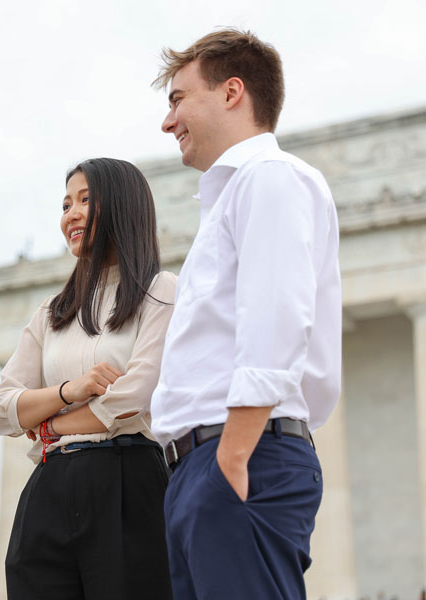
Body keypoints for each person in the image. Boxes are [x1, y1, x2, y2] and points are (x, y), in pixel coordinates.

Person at [149, 29, 342, 600]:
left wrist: (231, 457)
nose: (168, 121)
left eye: (178, 99)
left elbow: (277, 318)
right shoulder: (232, 197)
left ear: (232, 92)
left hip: (239, 458)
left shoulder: (270, 178)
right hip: (204, 467)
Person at [0, 158, 176, 600]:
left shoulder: (160, 290)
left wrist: (49, 423)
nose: (70, 214)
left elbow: (135, 394)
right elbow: (0, 409)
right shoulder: (51, 313)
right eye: (66, 203)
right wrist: (68, 391)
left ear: (123, 206)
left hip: (128, 480)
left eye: (85, 200)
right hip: (49, 486)